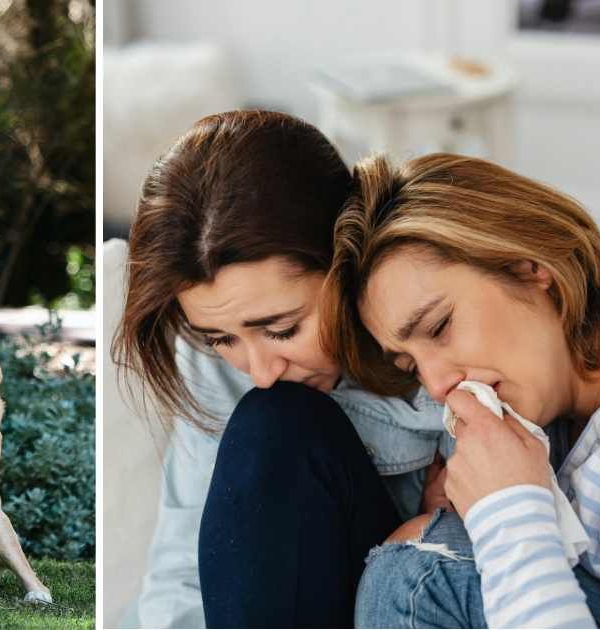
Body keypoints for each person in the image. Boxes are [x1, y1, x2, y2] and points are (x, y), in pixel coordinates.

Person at [112, 110, 453, 628]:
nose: (261, 370)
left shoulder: (442, 324)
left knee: (277, 421)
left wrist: (440, 527)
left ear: (347, 258)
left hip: (404, 599)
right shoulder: (210, 361)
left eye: (282, 329)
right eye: (222, 338)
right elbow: (182, 568)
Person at [325, 152, 600, 627]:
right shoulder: (570, 408)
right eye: (411, 364)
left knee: (419, 571)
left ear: (528, 266)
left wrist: (508, 513)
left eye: (439, 328)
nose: (438, 386)